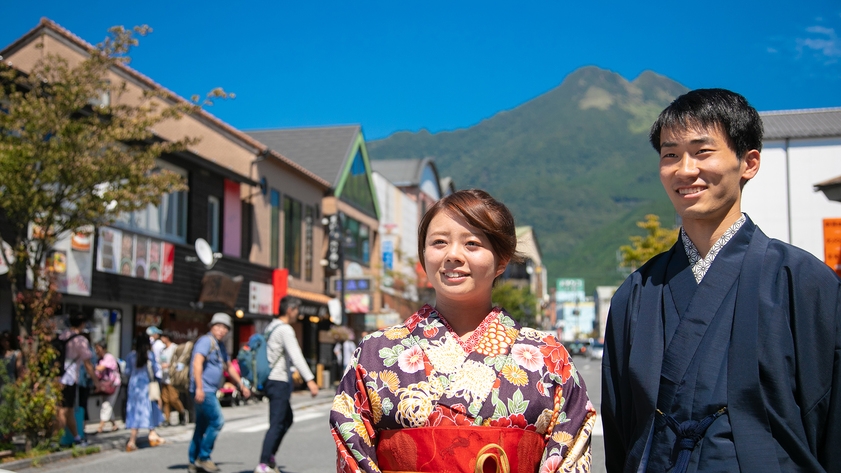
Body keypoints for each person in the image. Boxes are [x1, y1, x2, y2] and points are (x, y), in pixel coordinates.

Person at [601, 89, 841, 473]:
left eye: (702, 151)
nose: (684, 169)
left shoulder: (802, 281)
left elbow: (831, 422)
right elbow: (620, 427)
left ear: (749, 163)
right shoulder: (637, 292)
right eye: (670, 154)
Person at [330, 189, 596, 472]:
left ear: (502, 260)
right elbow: (353, 451)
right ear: (423, 255)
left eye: (471, 243)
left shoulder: (547, 356)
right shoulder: (375, 353)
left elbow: (569, 452)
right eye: (439, 242)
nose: (453, 255)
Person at [253, 296, 320, 473]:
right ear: (290, 310)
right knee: (277, 422)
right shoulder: (284, 329)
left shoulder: (271, 326)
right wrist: (310, 380)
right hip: (278, 381)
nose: (298, 314)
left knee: (286, 419)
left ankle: (270, 457)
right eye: (297, 310)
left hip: (273, 380)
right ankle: (264, 463)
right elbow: (296, 355)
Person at [189, 313, 251, 473]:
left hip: (208, 389)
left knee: (201, 426)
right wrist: (199, 388)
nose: (222, 330)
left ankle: (193, 461)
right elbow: (197, 363)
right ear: (212, 326)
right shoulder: (206, 341)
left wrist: (241, 384)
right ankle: (204, 457)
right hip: (204, 390)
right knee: (217, 421)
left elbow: (229, 366)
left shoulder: (219, 345)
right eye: (218, 326)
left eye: (225, 328)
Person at [57, 312, 100, 446]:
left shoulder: (62, 335)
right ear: (82, 324)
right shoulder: (80, 340)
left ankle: (76, 437)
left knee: (68, 408)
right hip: (69, 377)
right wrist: (96, 381)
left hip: (57, 376)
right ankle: (54, 440)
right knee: (63, 410)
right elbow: (88, 364)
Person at [124, 334, 166, 451]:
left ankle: (134, 439)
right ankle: (151, 434)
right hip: (146, 385)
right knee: (148, 408)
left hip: (133, 386)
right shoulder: (150, 355)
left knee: (134, 411)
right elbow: (155, 370)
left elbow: (127, 372)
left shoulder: (130, 356)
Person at [159, 331, 186, 426]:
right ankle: (167, 419)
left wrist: (169, 365)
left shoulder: (175, 348)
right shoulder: (162, 350)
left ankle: (182, 412)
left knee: (173, 398)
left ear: (167, 337)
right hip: (164, 377)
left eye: (162, 337)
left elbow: (179, 362)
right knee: (165, 399)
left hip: (173, 377)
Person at [93, 340, 121, 433]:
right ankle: (114, 424)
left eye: (98, 348)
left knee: (107, 405)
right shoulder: (99, 359)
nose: (96, 350)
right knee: (107, 405)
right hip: (104, 384)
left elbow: (101, 368)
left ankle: (100, 426)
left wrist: (88, 366)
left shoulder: (108, 357)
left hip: (113, 384)